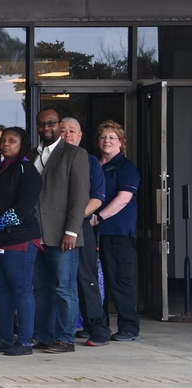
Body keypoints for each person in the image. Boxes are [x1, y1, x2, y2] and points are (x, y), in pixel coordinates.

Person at [0, 127, 44, 356]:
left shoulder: (27, 170)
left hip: (18, 240)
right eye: (3, 140)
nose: (5, 144)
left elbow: (23, 208)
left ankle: (24, 341)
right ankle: (5, 338)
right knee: (1, 290)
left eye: (11, 141)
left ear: (22, 144)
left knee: (21, 290)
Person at [30, 108, 90, 354]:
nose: (46, 128)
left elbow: (79, 197)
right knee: (40, 289)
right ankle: (44, 335)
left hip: (62, 235)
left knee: (64, 289)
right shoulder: (31, 154)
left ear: (59, 125)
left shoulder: (75, 154)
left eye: (51, 124)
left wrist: (72, 232)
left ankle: (65, 339)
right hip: (35, 236)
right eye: (42, 124)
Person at [61, 117, 110, 345]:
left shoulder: (90, 162)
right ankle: (58, 328)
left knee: (85, 278)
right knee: (56, 280)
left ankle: (97, 327)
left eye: (72, 131)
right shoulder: (47, 160)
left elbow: (98, 198)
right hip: (51, 229)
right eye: (63, 131)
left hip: (79, 227)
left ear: (80, 136)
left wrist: (72, 220)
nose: (68, 134)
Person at [93, 120, 141, 342]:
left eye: (112, 137)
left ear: (121, 143)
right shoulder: (94, 165)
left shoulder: (126, 167)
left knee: (120, 280)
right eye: (103, 137)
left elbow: (123, 199)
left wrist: (99, 217)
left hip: (118, 232)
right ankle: (99, 326)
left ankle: (129, 328)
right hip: (95, 232)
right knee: (96, 280)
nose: (107, 141)